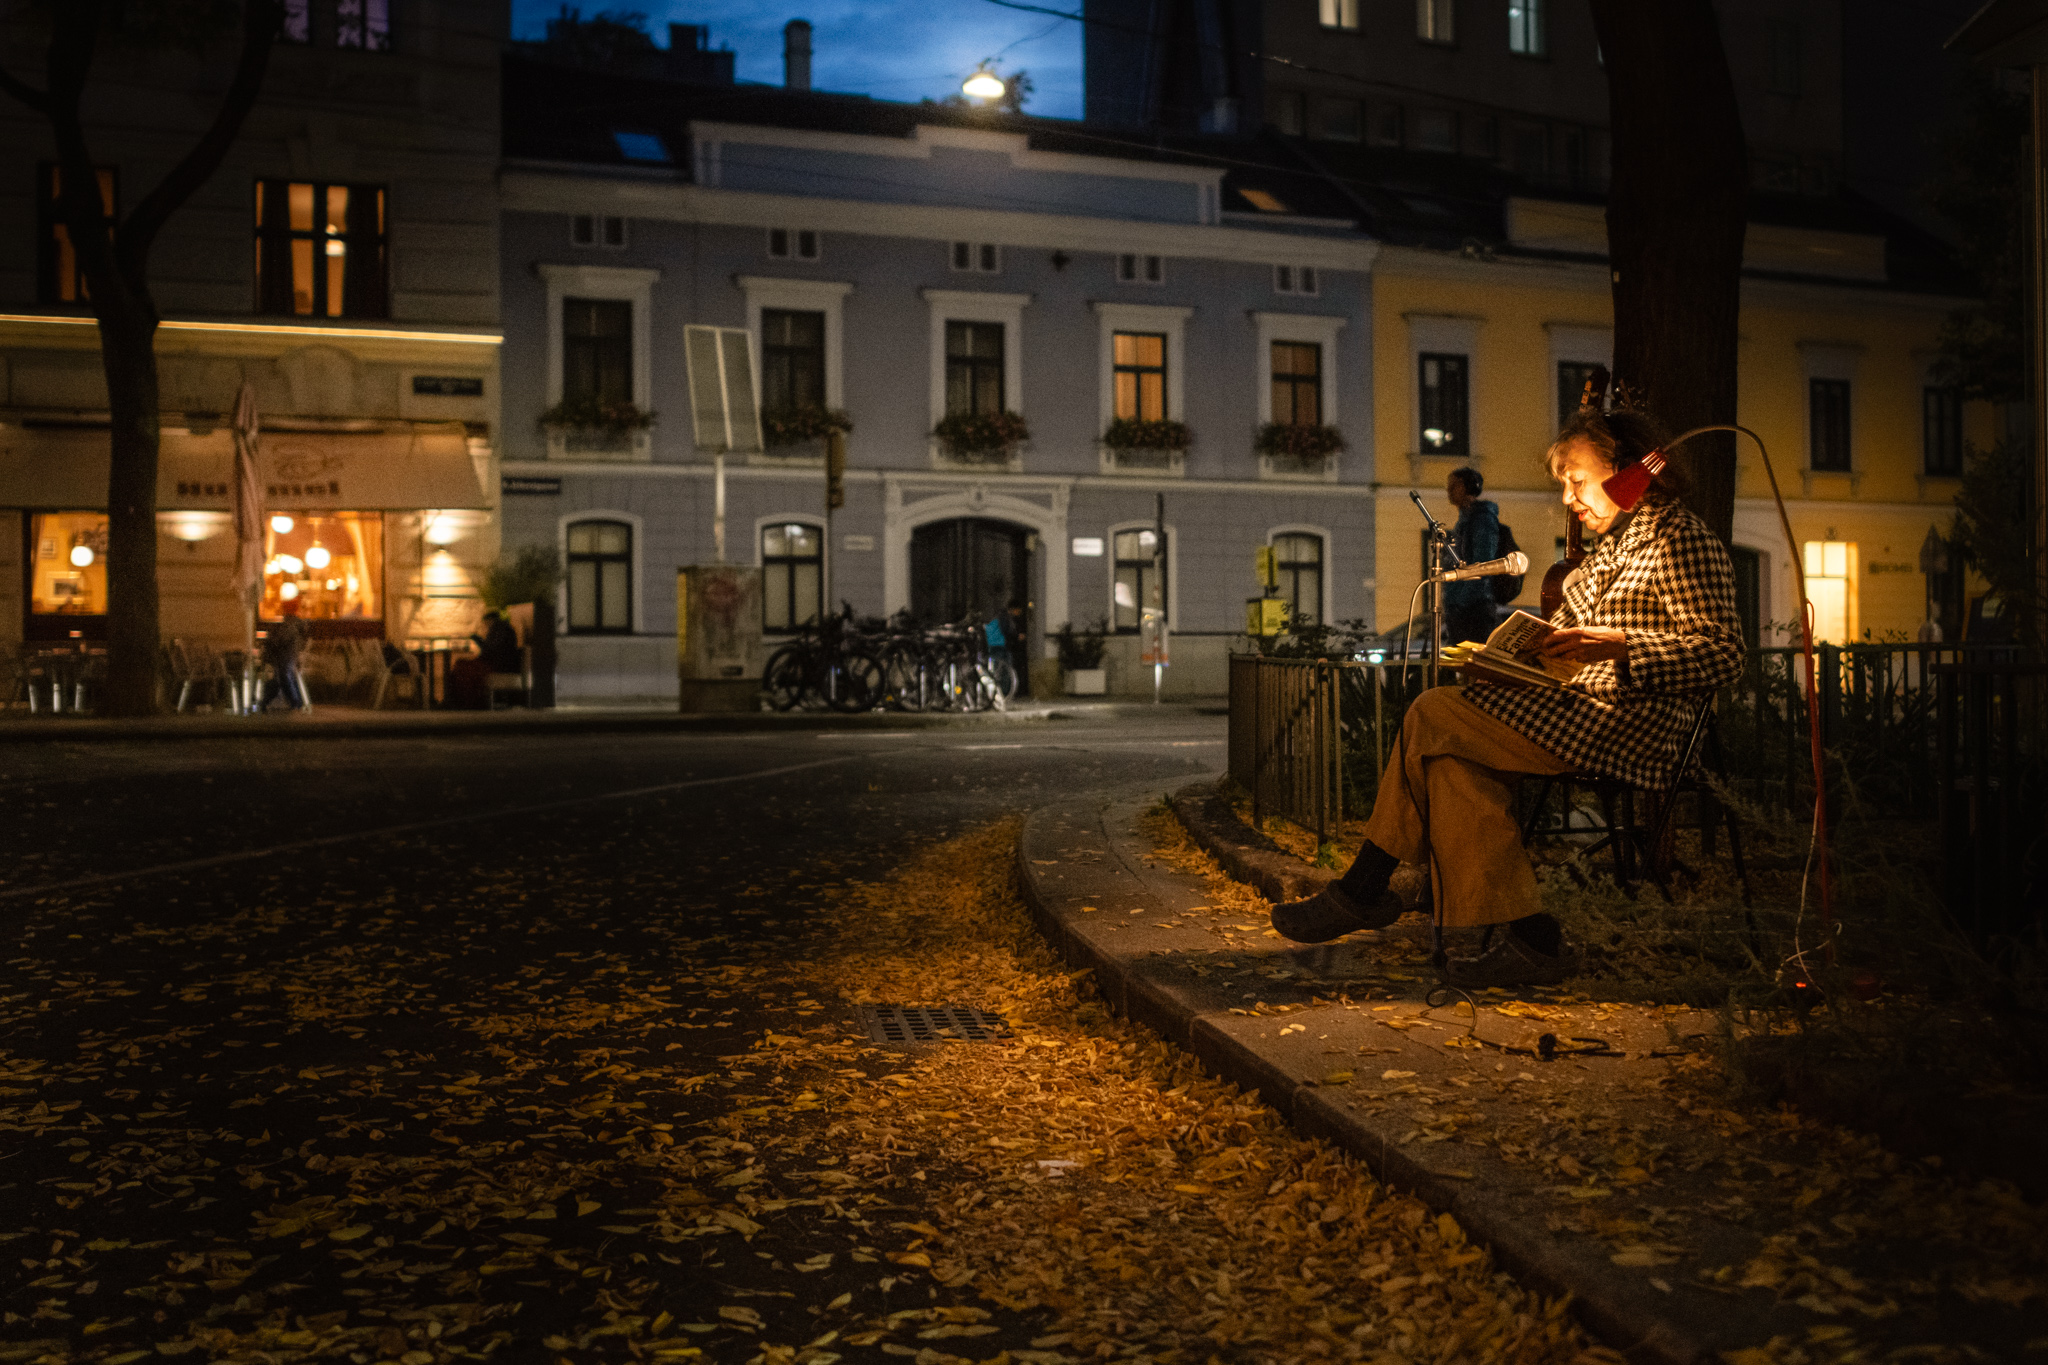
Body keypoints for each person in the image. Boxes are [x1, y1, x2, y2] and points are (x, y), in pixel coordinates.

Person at [1269, 395, 1745, 987]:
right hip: (1573, 707)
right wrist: (1510, 657)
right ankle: (1532, 941)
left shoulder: (1681, 539)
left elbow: (1724, 654)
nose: (1568, 498)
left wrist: (1619, 645)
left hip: (1630, 720)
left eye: (1576, 481)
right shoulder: (1612, 549)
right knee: (1447, 759)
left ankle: (1366, 886)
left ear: (1626, 472)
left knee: (1431, 710)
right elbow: (1561, 635)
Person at [1442, 466, 1500, 646]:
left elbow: (1483, 563)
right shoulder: (1465, 520)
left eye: (1455, 485)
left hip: (1474, 608)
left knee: (1473, 661)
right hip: (1462, 605)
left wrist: (1460, 600)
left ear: (1468, 487)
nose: (1449, 490)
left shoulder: (1482, 519)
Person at [258, 601, 310, 711]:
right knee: (282, 677)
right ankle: (294, 702)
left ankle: (293, 702)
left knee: (281, 677)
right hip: (288, 656)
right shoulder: (295, 624)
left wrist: (269, 642)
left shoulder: (288, 624)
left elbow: (278, 640)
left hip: (283, 656)